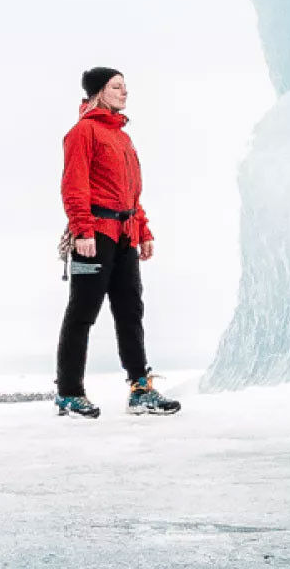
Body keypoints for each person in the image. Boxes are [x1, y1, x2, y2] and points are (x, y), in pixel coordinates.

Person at [52, 66, 181, 418]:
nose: (125, 92)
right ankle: (68, 393)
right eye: (117, 87)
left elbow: (131, 194)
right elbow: (74, 186)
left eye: (126, 87)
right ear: (97, 92)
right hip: (94, 236)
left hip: (124, 235)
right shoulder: (82, 133)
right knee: (82, 312)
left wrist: (144, 230)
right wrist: (83, 232)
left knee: (130, 311)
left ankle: (140, 388)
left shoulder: (122, 137)